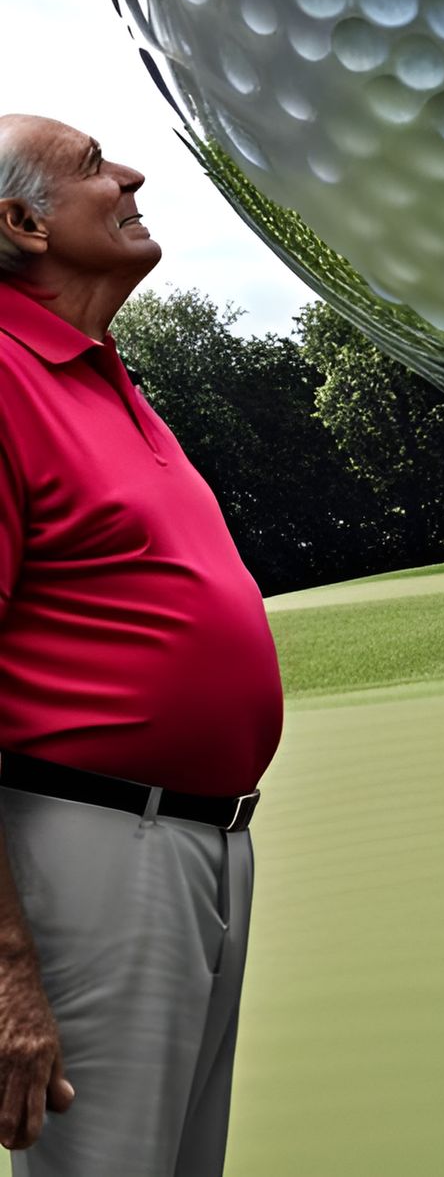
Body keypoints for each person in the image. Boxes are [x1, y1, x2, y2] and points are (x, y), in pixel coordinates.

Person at [0, 115, 283, 1174]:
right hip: (87, 844)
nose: (130, 172)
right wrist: (5, 966)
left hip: (205, 841)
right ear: (22, 223)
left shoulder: (99, 369)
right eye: (90, 166)